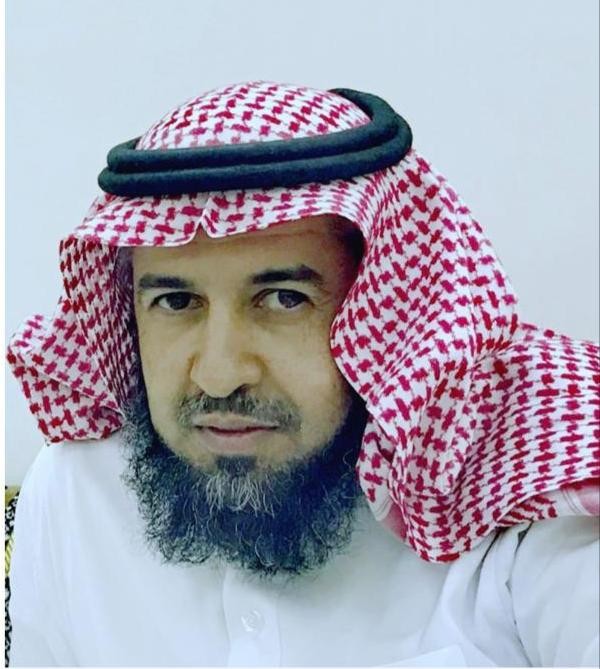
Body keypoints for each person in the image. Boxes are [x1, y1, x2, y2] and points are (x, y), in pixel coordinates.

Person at [7, 81, 599, 667]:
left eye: (284, 299)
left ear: (388, 311)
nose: (219, 376)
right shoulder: (73, 495)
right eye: (177, 302)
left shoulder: (525, 481)